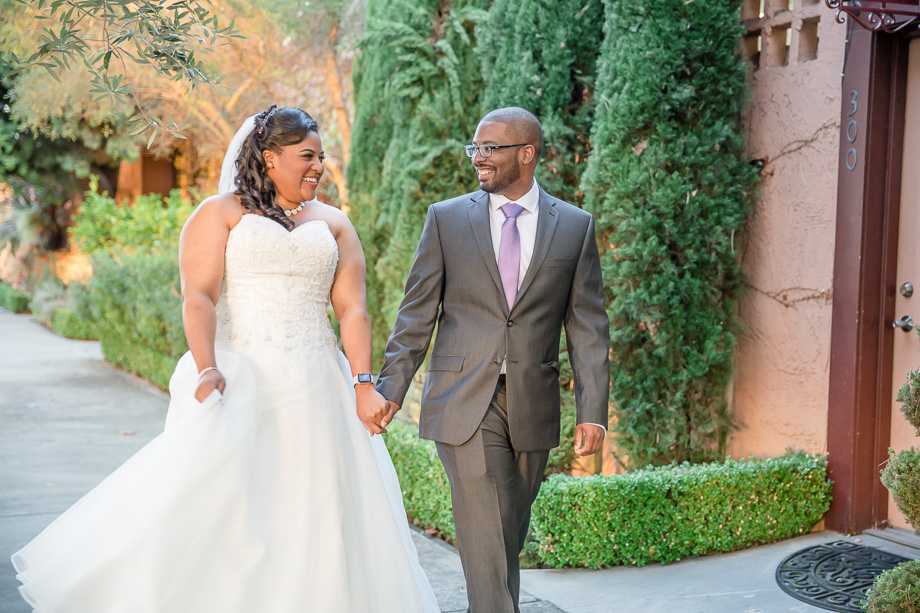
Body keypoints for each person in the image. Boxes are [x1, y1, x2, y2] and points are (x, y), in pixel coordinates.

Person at [11, 105, 439, 613]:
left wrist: (363, 383)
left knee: (321, 508)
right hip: (247, 380)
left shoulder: (334, 223)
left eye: (321, 156)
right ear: (269, 156)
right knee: (234, 510)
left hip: (320, 383)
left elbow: (353, 310)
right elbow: (199, 297)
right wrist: (207, 366)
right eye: (307, 155)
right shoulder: (219, 214)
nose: (318, 166)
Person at [375, 107, 611, 613]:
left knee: (505, 533)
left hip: (533, 402)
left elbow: (588, 327)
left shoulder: (573, 226)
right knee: (485, 531)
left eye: (490, 148)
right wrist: (389, 390)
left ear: (526, 154)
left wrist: (593, 410)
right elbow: (416, 314)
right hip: (462, 399)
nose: (478, 158)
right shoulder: (446, 219)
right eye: (475, 148)